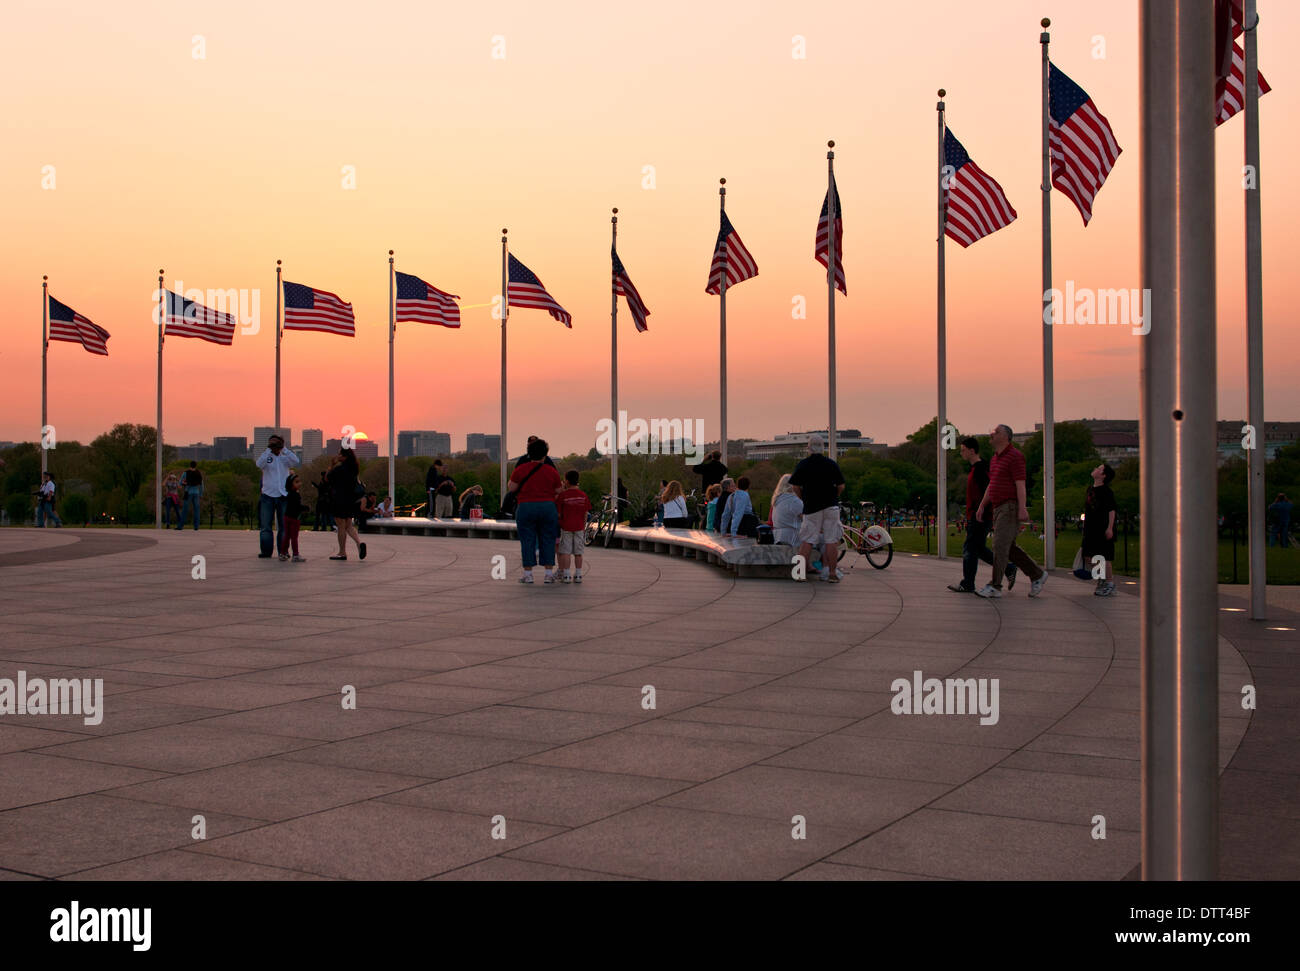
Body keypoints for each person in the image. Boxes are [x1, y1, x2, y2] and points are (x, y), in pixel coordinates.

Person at [974, 424, 1047, 599]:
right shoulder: (995, 458)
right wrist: (983, 505)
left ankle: (995, 586)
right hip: (998, 507)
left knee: (999, 546)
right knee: (1009, 548)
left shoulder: (1015, 457)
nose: (991, 434)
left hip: (1010, 506)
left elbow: (1020, 483)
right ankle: (1037, 574)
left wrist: (1022, 507)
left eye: (996, 432)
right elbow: (992, 484)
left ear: (1006, 437)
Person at [948, 437, 1017, 594]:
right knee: (977, 549)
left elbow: (989, 491)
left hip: (980, 516)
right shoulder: (978, 468)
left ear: (972, 450)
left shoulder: (980, 469)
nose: (961, 453)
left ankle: (968, 583)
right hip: (979, 514)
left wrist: (981, 510)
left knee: (970, 549)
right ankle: (1008, 569)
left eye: (963, 450)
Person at [506, 438, 564, 583]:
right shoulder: (551, 471)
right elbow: (559, 490)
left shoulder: (520, 469)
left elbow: (512, 488)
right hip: (547, 507)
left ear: (529, 453)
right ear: (545, 455)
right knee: (549, 539)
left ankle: (528, 574)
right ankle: (549, 574)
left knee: (527, 540)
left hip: (526, 507)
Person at [789, 435, 845, 582]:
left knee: (807, 541)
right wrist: (834, 496)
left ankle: (799, 574)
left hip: (811, 507)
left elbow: (795, 486)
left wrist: (803, 498)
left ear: (809, 448)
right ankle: (832, 573)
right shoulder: (831, 464)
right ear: (823, 447)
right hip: (831, 506)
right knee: (831, 541)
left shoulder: (803, 464)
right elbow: (841, 485)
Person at [256, 434, 299, 560]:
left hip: (283, 495)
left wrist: (284, 448)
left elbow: (296, 461)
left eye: (277, 444)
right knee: (265, 526)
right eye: (273, 444)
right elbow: (259, 464)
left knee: (284, 526)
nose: (275, 447)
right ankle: (266, 551)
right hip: (267, 494)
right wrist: (269, 449)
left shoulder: (284, 458)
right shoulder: (267, 457)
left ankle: (283, 551)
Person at [1082, 464, 1118, 596]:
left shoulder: (1106, 491)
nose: (1095, 469)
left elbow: (1111, 510)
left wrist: (1110, 528)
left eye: (1099, 468)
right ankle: (1101, 579)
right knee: (1088, 556)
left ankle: (1109, 583)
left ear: (1103, 475)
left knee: (1104, 556)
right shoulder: (1090, 489)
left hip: (1103, 528)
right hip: (1090, 529)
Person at [327, 448, 366, 561]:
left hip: (339, 499)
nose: (338, 455)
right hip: (350, 500)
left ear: (345, 457)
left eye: (340, 454)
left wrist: (332, 465)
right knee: (348, 525)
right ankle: (359, 543)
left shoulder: (339, 469)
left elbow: (327, 478)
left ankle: (342, 552)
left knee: (341, 526)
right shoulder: (354, 469)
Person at [556, 470, 592, 583]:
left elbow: (558, 514)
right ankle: (578, 574)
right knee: (578, 552)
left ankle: (566, 575)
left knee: (566, 551)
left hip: (566, 527)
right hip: (579, 527)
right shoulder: (583, 495)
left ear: (566, 481)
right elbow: (586, 513)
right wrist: (583, 525)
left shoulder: (563, 496)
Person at [770, 473, 803, 546]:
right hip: (793, 538)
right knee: (822, 540)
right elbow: (808, 519)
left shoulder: (776, 500)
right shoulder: (794, 501)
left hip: (777, 537)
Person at [282, 473, 306, 562]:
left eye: (299, 481)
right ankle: (295, 555)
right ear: (291, 484)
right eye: (296, 482)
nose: (299, 483)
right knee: (294, 537)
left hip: (287, 517)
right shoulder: (296, 495)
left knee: (286, 536)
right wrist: (305, 508)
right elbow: (297, 506)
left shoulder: (289, 494)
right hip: (294, 519)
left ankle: (283, 553)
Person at [178, 461, 203, 530]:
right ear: (196, 466)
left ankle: (180, 526)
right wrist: (201, 493)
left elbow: (180, 482)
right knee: (196, 510)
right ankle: (196, 526)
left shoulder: (186, 472)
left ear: (190, 465)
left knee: (185, 509)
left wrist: (181, 485)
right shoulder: (198, 473)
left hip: (188, 492)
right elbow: (201, 484)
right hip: (196, 492)